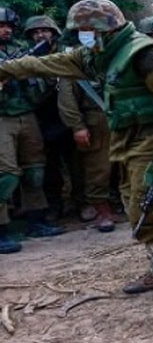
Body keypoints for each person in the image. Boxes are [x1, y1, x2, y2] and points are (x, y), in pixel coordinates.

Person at [0, 0, 153, 291]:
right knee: (137, 200)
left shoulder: (143, 54)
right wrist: (6, 70)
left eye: (85, 29)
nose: (82, 35)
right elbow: (45, 64)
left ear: (103, 27)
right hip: (128, 139)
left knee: (145, 204)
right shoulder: (98, 54)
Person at [0, 9, 65, 254]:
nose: (5, 30)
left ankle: (36, 220)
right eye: (0, 26)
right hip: (2, 118)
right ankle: (2, 230)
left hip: (26, 114)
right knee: (5, 175)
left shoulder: (18, 51)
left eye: (8, 25)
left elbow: (41, 89)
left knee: (35, 170)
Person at [23, 16, 73, 221]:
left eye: (44, 31)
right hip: (42, 119)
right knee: (49, 167)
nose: (40, 35)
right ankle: (55, 205)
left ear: (53, 33)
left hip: (69, 118)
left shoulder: (68, 53)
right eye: (35, 32)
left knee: (78, 165)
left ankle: (85, 202)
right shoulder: (27, 59)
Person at [57, 73, 113, 231]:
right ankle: (102, 211)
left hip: (124, 114)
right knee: (98, 168)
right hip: (96, 118)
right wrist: (77, 126)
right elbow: (66, 99)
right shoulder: (75, 62)